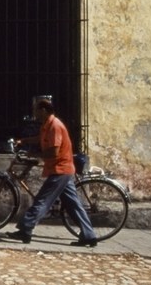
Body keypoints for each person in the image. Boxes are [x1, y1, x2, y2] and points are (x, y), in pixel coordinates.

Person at [7, 96, 98, 247]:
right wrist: (24, 141)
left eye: (36, 110)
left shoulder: (55, 126)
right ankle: (89, 235)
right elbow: (40, 139)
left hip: (60, 170)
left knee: (42, 200)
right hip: (62, 170)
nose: (34, 113)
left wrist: (34, 155)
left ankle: (25, 229)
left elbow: (54, 152)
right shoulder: (46, 125)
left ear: (43, 110)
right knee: (73, 205)